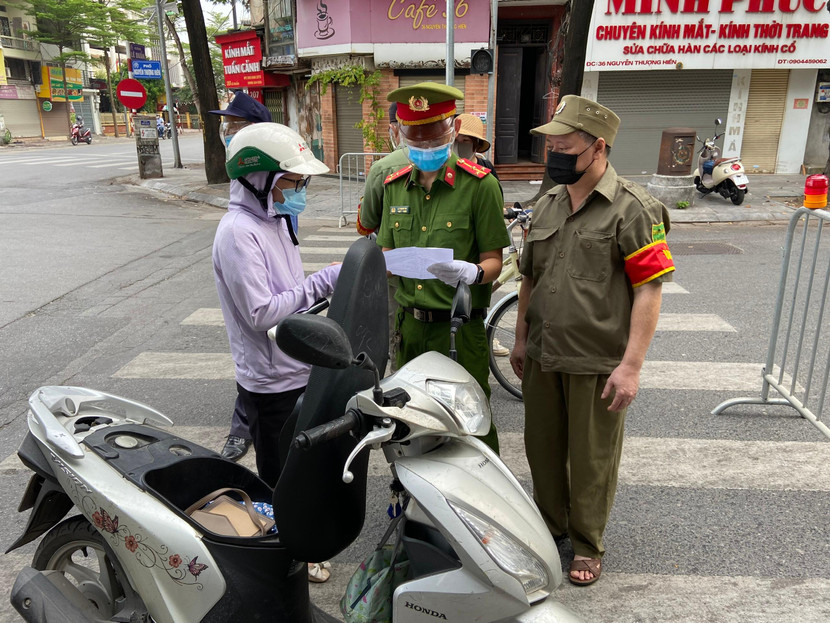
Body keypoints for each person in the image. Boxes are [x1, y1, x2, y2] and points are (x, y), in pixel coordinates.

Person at [509, 95, 675, 586]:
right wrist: (519, 339)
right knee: (542, 450)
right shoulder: (548, 203)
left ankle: (587, 543)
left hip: (597, 360)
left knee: (591, 458)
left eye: (564, 148)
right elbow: (529, 278)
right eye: (551, 147)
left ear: (598, 147)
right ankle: (551, 525)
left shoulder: (634, 209)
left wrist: (632, 366)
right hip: (543, 354)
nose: (554, 156)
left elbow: (649, 289)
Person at [213, 122, 338, 584]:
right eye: (292, 181)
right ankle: (284, 557)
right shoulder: (237, 233)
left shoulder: (274, 220)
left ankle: (300, 541)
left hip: (298, 365)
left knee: (302, 468)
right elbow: (261, 312)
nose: (299, 190)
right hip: (271, 381)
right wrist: (321, 282)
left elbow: (290, 292)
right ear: (258, 177)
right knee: (279, 475)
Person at [376, 82, 509, 453]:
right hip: (409, 328)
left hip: (458, 330)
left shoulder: (480, 186)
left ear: (453, 129)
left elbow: (494, 261)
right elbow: (386, 251)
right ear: (400, 136)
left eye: (433, 139)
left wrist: (474, 273)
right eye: (415, 140)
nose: (425, 148)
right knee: (411, 425)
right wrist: (377, 266)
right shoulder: (394, 187)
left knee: (471, 426)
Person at [208, 91, 273, 461]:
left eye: (236, 127)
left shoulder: (272, 188)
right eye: (228, 127)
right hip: (261, 355)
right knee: (251, 351)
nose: (229, 134)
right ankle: (241, 427)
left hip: (278, 353)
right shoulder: (238, 223)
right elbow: (257, 311)